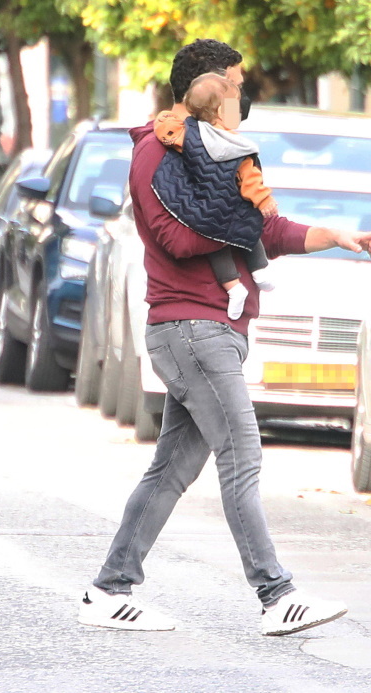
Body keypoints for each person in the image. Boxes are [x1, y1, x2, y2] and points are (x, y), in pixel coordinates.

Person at [78, 38, 371, 636]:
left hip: (215, 328)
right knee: (242, 456)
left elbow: (269, 229)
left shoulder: (220, 154)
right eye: (237, 83)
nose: (246, 93)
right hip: (191, 329)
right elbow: (179, 238)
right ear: (209, 88)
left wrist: (333, 234)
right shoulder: (155, 155)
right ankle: (276, 594)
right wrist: (242, 223)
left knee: (169, 473)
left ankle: (109, 589)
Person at [153, 73, 276, 320]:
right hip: (232, 205)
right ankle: (260, 269)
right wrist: (263, 200)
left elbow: (167, 133)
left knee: (214, 245)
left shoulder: (190, 136)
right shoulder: (237, 145)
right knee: (249, 229)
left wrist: (164, 117)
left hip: (206, 208)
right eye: (235, 107)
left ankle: (233, 288)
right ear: (221, 111)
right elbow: (249, 179)